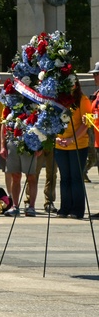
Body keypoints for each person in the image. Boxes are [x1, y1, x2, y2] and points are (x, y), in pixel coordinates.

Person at [55, 80, 91, 219]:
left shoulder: (82, 99)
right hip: (60, 144)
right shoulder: (58, 100)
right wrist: (55, 137)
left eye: (71, 83)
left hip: (78, 144)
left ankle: (77, 210)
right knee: (65, 178)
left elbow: (85, 123)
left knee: (76, 177)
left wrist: (72, 139)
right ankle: (65, 208)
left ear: (76, 85)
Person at [0, 113, 41, 217]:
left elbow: (41, 124)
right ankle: (15, 206)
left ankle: (31, 207)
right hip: (12, 142)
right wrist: (2, 145)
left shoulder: (33, 101)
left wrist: (40, 146)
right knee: (15, 176)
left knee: (31, 176)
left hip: (29, 143)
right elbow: (4, 124)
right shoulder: (9, 103)